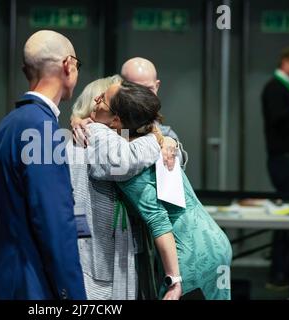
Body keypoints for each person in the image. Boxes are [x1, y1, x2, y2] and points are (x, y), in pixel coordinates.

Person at [91, 80, 232, 300]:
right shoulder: (151, 140)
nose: (95, 101)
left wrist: (174, 281)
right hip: (214, 242)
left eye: (102, 99)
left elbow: (159, 221)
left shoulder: (130, 167)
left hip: (192, 253)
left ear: (117, 120)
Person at [0, 30, 86, 300]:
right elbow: (54, 222)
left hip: (4, 279)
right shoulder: (41, 129)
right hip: (33, 287)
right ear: (68, 65)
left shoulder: (10, 123)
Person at [68, 76, 180, 300]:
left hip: (121, 251)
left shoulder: (120, 139)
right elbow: (121, 161)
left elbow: (178, 158)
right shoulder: (99, 137)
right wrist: (158, 139)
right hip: (107, 256)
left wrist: (167, 140)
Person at [262, 46, 289, 289]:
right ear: (285, 62)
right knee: (288, 216)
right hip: (284, 160)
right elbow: (276, 118)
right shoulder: (274, 87)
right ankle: (279, 273)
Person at [121, 57, 188, 167]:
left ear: (157, 86)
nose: (142, 97)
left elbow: (176, 162)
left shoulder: (165, 133)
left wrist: (170, 144)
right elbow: (119, 166)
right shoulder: (109, 124)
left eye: (148, 89)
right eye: (135, 90)